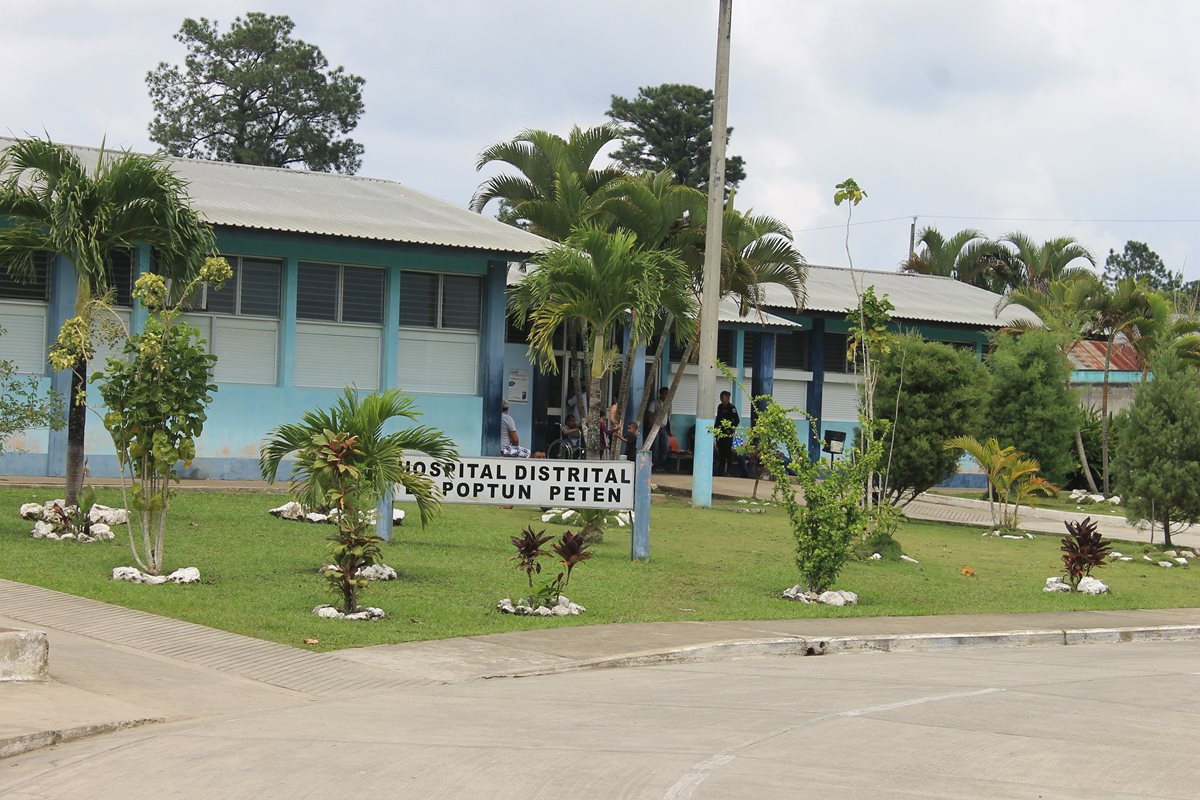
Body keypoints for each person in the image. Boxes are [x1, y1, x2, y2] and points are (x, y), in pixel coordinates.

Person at [645, 386, 672, 471]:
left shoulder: (669, 404)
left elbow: (668, 417)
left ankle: (661, 465)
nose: (667, 395)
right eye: (665, 393)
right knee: (655, 447)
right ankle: (655, 466)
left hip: (663, 428)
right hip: (655, 427)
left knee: (665, 447)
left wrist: (669, 430)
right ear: (661, 394)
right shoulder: (654, 403)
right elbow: (650, 414)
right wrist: (653, 426)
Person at [715, 390, 741, 476]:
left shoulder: (732, 407)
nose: (721, 399)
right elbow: (718, 419)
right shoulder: (720, 407)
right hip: (720, 432)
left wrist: (730, 429)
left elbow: (737, 420)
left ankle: (729, 471)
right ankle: (720, 470)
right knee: (721, 451)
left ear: (727, 398)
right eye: (721, 397)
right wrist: (716, 430)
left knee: (728, 452)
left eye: (723, 397)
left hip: (728, 433)